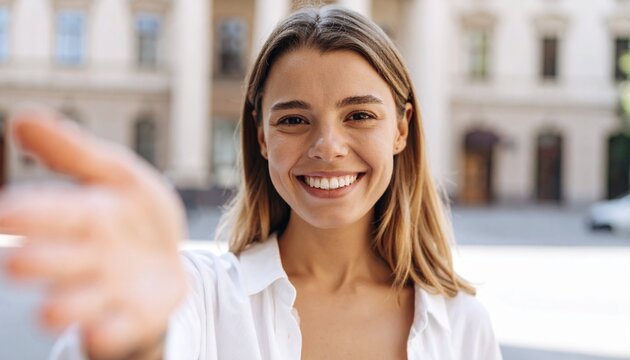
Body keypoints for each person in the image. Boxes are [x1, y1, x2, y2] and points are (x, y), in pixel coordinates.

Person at [1, 5, 502, 360]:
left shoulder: (462, 325)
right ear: (261, 137)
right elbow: (156, 337)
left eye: (359, 115)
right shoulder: (199, 294)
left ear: (400, 128)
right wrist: (137, 346)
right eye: (292, 120)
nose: (328, 146)